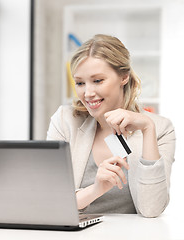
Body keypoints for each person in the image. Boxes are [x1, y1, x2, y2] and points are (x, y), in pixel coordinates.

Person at [47, 34, 175, 217]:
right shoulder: (65, 121)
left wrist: (147, 128)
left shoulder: (161, 128)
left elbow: (152, 209)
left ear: (124, 77)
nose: (88, 93)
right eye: (80, 83)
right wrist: (96, 189)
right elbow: (51, 202)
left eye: (98, 81)